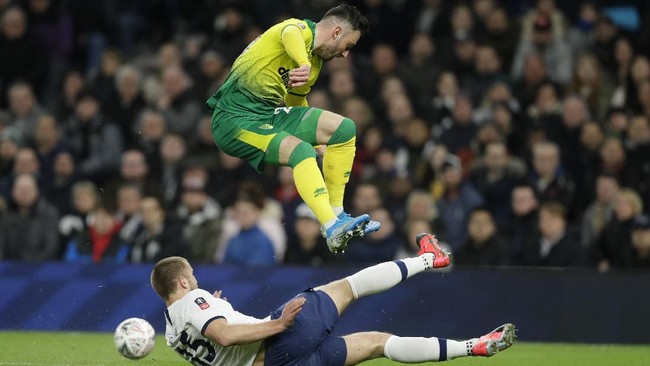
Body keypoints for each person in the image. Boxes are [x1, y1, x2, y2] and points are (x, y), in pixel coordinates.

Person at [151, 233, 516, 366]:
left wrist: (220, 308)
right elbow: (224, 336)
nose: (197, 280)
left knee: (378, 344)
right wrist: (277, 324)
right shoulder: (194, 300)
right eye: (193, 276)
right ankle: (429, 258)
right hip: (280, 341)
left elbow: (213, 339)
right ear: (183, 281)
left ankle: (474, 347)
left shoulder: (171, 330)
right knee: (347, 287)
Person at [206, 4, 379, 254]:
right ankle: (330, 226)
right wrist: (301, 62)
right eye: (348, 46)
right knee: (301, 153)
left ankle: (337, 215)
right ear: (337, 31)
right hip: (233, 119)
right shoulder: (299, 29)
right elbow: (290, 32)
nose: (345, 55)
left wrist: (319, 142)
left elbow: (295, 103)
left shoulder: (315, 64)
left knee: (343, 129)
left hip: (265, 113)